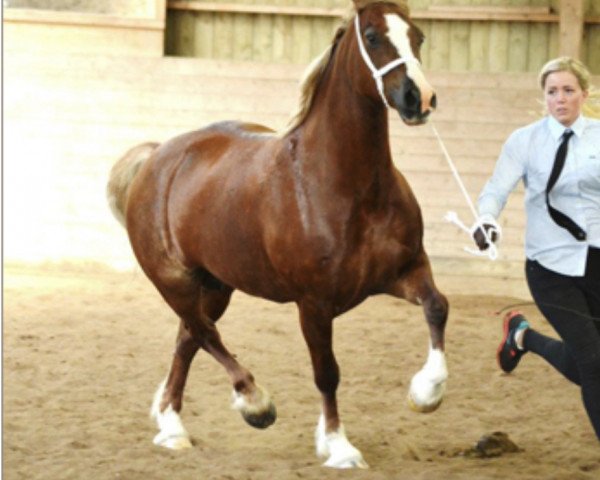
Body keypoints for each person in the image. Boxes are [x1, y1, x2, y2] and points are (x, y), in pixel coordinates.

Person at [472, 56, 600, 441]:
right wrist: (487, 220)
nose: (559, 99)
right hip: (550, 268)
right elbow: (496, 189)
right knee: (593, 362)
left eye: (568, 90)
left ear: (585, 93)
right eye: (551, 92)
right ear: (543, 97)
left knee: (589, 364)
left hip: (596, 262)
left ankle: (523, 338)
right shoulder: (524, 141)